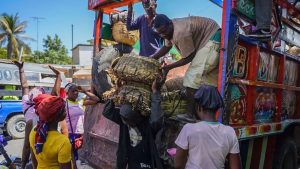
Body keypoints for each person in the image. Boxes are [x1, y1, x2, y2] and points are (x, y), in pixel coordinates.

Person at [151, 14, 221, 120]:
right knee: (208, 83)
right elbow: (166, 46)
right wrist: (153, 57)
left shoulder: (180, 32)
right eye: (159, 33)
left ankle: (190, 115)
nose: (163, 35)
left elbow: (189, 57)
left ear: (170, 23)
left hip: (212, 39)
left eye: (164, 32)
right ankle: (207, 117)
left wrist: (169, 67)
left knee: (191, 77)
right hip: (209, 40)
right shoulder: (168, 31)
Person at [13, 61, 68, 169]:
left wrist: (21, 69)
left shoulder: (33, 127)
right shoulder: (51, 113)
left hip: (39, 160)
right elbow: (55, 95)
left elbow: (27, 147)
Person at [103, 76, 164, 169]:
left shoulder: (148, 122)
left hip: (147, 162)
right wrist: (117, 90)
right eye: (124, 120)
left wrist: (155, 92)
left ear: (138, 115)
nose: (126, 123)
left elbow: (156, 120)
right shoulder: (124, 120)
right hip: (132, 162)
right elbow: (107, 111)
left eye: (128, 121)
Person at [174, 85, 242, 169]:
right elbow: (236, 167)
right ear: (217, 108)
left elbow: (178, 165)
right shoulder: (230, 132)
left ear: (199, 107)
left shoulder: (188, 129)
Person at [29, 95, 72, 169]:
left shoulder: (34, 131)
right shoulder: (63, 141)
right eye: (64, 110)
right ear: (58, 116)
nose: (66, 111)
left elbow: (33, 157)